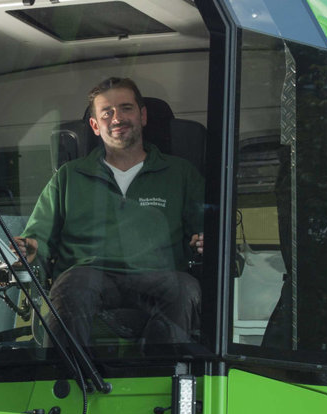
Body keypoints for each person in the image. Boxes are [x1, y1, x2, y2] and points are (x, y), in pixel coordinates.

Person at [13, 76, 204, 347]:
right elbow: (37, 238)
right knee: (72, 284)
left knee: (185, 288)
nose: (117, 118)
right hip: (89, 274)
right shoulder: (69, 176)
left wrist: (205, 241)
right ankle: (64, 381)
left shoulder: (181, 173)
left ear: (143, 115)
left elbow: (207, 230)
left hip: (159, 275)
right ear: (94, 125)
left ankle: (164, 373)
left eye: (126, 108)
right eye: (107, 113)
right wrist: (30, 249)